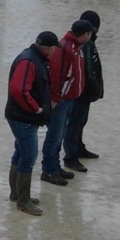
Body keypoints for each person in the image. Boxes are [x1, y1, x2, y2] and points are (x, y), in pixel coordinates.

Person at [4, 31, 59, 216]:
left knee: (21, 152)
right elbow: (19, 89)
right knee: (28, 156)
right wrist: (36, 109)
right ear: (49, 48)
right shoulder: (29, 61)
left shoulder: (33, 57)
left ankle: (17, 194)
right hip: (23, 118)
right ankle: (23, 200)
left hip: (21, 116)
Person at [39, 19, 94, 184]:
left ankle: (54, 167)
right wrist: (56, 98)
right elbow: (57, 75)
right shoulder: (65, 48)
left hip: (69, 99)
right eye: (90, 33)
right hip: (62, 100)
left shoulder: (76, 47)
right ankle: (48, 169)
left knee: (60, 135)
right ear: (85, 34)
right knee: (55, 136)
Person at [63, 11, 103, 171]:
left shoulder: (87, 42)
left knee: (80, 121)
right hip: (82, 92)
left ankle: (78, 148)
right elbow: (88, 70)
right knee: (75, 122)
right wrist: (94, 89)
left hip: (83, 91)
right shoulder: (86, 45)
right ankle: (71, 156)